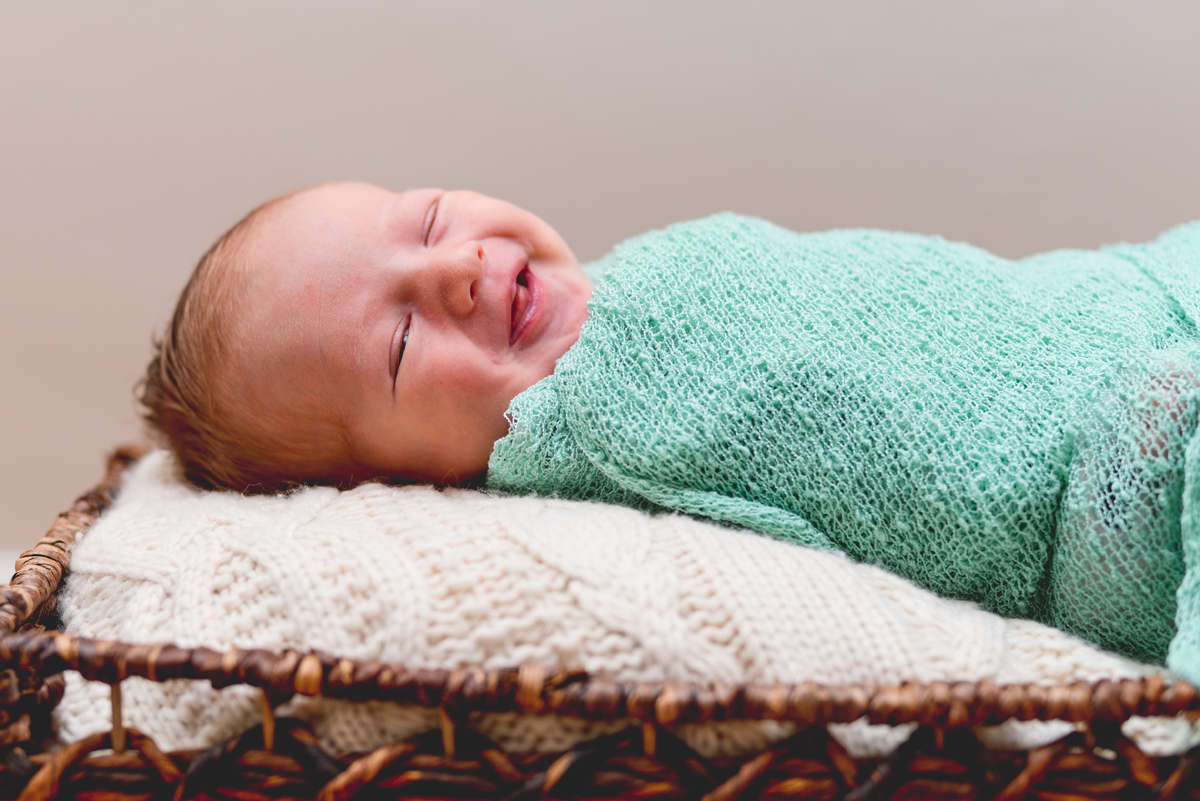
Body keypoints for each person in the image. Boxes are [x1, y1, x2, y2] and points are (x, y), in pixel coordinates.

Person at [143, 181, 1200, 681]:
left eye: (422, 220)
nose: (450, 267)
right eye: (401, 350)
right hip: (1111, 483)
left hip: (1124, 295)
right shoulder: (595, 441)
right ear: (405, 490)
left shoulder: (647, 288)